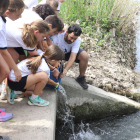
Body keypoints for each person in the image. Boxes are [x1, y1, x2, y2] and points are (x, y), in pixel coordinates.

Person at [50, 24, 89, 89]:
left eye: (75, 39)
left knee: (84, 56)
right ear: (67, 32)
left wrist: (65, 70)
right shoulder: (58, 35)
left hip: (67, 53)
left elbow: (72, 57)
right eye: (71, 37)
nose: (72, 41)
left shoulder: (77, 40)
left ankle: (81, 78)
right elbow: (49, 52)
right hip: (55, 52)